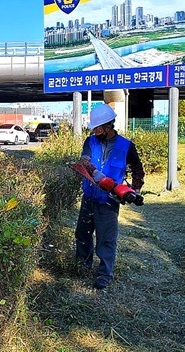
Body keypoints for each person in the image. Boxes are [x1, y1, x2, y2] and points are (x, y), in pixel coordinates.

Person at [75, 104, 145, 290]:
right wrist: (92, 170)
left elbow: (138, 170)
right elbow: (85, 160)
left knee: (106, 239)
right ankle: (82, 266)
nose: (96, 131)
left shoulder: (127, 146)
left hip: (109, 201)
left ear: (109, 126)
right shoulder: (90, 141)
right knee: (82, 234)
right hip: (89, 196)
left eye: (99, 128)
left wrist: (134, 190)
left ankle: (104, 274)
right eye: (94, 128)